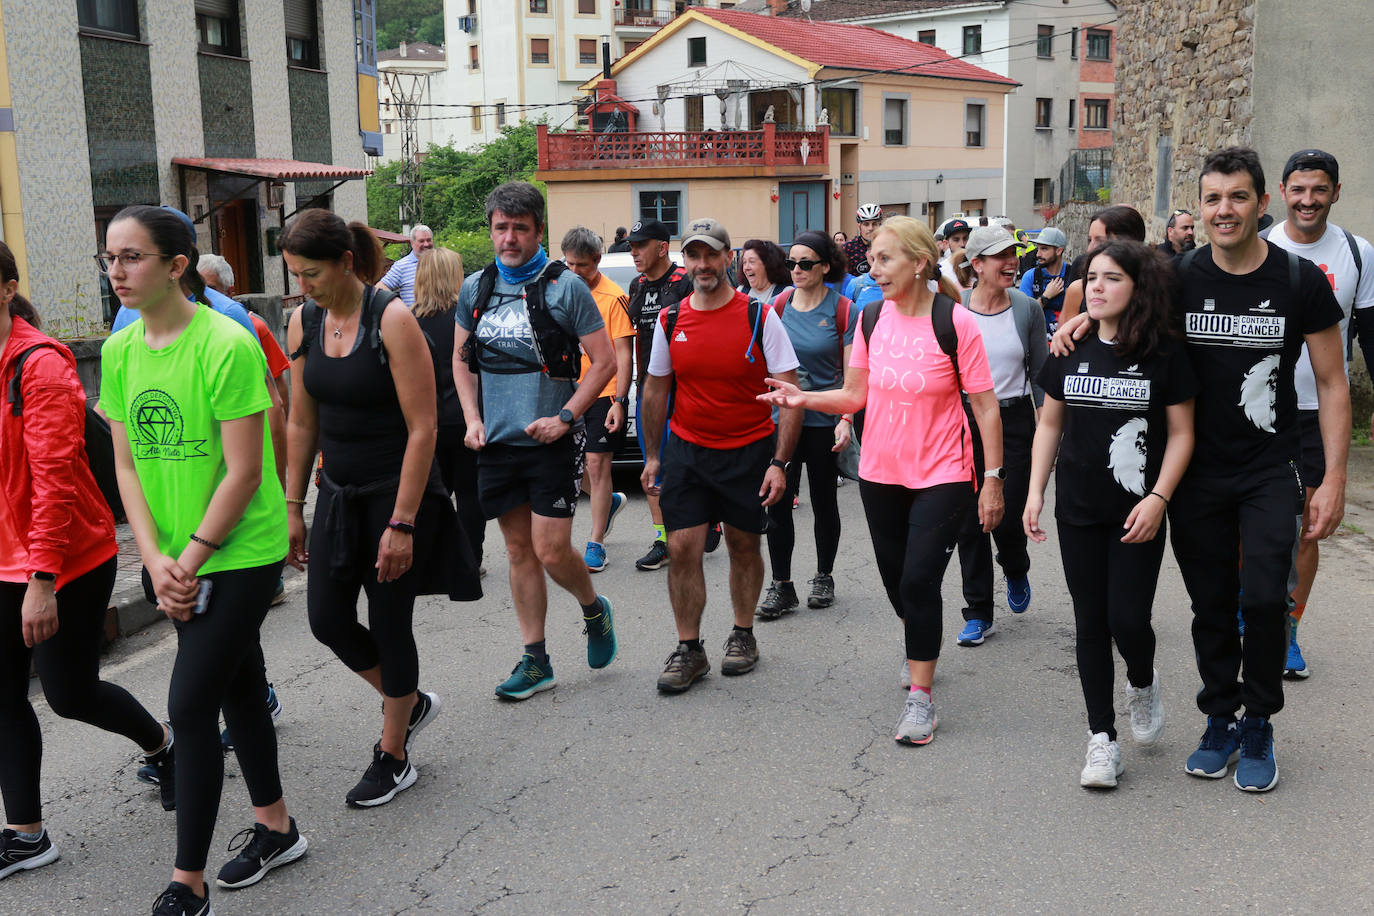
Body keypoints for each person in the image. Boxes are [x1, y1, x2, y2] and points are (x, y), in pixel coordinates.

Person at [1053, 147, 1350, 793]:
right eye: (1212, 198)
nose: (1224, 210)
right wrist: (1082, 314)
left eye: (1238, 197)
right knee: (1210, 603)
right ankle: (1219, 716)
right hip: (1193, 472)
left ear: (1261, 204)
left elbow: (1331, 381)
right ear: (1199, 206)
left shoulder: (1300, 282)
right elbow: (1119, 298)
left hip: (1271, 466)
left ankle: (1259, 722)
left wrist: (1333, 479)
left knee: (1266, 598)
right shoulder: (1176, 276)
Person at [98, 205, 306, 914]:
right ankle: (276, 826)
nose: (117, 272)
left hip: (239, 549)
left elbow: (246, 472)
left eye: (132, 257)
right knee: (238, 687)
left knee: (189, 706)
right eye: (110, 258)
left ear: (177, 265)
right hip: (176, 556)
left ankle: (188, 884)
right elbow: (126, 467)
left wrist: (186, 562)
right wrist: (154, 559)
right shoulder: (121, 350)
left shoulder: (226, 341)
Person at [759, 216, 1005, 747]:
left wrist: (992, 479)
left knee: (919, 580)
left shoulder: (954, 321)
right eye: (871, 259)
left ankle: (921, 697)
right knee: (898, 581)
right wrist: (803, 399)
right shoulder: (871, 319)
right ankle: (917, 635)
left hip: (944, 471)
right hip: (881, 472)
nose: (874, 268)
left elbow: (985, 407)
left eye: (885, 259)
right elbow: (853, 396)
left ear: (919, 263)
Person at [283, 211, 474, 808]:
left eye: (310, 273)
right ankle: (409, 701)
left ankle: (393, 754)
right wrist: (294, 505)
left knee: (391, 624)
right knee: (327, 621)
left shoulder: (390, 317)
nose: (302, 285)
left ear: (344, 262)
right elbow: (301, 419)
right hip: (337, 497)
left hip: (398, 495)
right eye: (293, 274)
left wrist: (403, 523)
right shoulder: (303, 321)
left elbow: (423, 429)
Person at [0, 241, 174, 880]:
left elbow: (53, 482)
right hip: (3, 558)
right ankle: (27, 834)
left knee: (69, 693)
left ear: (6, 287)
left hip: (67, 556)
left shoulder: (40, 367)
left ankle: (165, 746)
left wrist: (41, 580)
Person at [1026, 240, 1198, 788]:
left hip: (1138, 514)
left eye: (1111, 278)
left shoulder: (1165, 352)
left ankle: (1142, 684)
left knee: (1129, 620)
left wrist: (1159, 498)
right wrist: (1034, 493)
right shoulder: (1069, 348)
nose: (1096, 286)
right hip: (1076, 508)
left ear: (1138, 287)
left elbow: (1182, 434)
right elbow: (1049, 424)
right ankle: (1102, 739)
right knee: (1089, 622)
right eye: (1091, 277)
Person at [453, 181, 618, 701]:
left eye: (519, 228)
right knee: (518, 551)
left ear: (537, 230)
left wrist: (567, 417)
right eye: (501, 228)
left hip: (549, 440)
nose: (509, 238)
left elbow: (605, 362)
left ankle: (593, 607)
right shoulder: (474, 288)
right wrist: (472, 417)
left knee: (550, 550)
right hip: (496, 443)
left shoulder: (565, 286)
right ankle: (536, 660)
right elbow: (461, 359)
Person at [641, 218, 800, 693]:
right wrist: (653, 457)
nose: (703, 264)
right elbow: (654, 390)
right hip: (688, 453)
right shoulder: (671, 319)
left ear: (728, 258)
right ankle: (689, 649)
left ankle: (743, 634)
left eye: (711, 254)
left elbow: (789, 391)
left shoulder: (758, 316)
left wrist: (779, 463)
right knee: (681, 548)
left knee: (743, 546)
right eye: (694, 255)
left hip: (748, 451)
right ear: (684, 260)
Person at [1262, 149, 1374, 678]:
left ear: (1335, 192)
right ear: (1283, 192)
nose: (1308, 200)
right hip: (1261, 410)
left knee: (1309, 529)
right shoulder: (1257, 247)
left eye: (1320, 189)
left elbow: (1371, 337)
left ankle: (1288, 630)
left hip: (1321, 410)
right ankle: (1250, 614)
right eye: (1299, 189)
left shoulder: (1358, 252)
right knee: (1251, 527)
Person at [953, 226, 1047, 646]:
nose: (1012, 262)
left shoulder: (1027, 309)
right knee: (969, 521)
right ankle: (978, 611)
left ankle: (1015, 565)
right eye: (1000, 256)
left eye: (1014, 254)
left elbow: (1041, 376)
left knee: (1006, 516)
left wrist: (1048, 429)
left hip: (1013, 421)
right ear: (977, 265)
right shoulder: (954, 310)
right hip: (964, 422)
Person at [757, 231, 858, 618]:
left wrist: (845, 419)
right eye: (791, 263)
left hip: (823, 421)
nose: (795, 270)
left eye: (805, 264)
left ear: (825, 267)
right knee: (777, 501)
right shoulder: (778, 305)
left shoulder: (843, 309)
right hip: (782, 421)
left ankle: (824, 576)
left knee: (823, 501)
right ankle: (782, 585)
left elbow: (852, 377)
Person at [560, 227, 634, 572]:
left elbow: (623, 354)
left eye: (582, 266)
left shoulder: (613, 297)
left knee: (596, 464)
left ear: (597, 261)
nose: (575, 272)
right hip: (567, 390)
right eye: (569, 264)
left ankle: (595, 542)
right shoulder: (559, 291)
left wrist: (620, 399)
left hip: (603, 391)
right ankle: (613, 501)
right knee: (571, 465)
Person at [411, 246, 487, 574]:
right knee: (470, 493)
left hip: (423, 424)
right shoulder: (470, 319)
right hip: (466, 418)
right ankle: (470, 561)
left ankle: (431, 558)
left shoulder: (407, 322)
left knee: (430, 495)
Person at [625, 219, 694, 571]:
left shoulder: (684, 282)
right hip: (650, 387)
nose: (634, 252)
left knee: (685, 463)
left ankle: (705, 519)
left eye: (641, 245)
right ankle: (663, 539)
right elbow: (636, 336)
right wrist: (635, 388)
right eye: (632, 246)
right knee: (652, 466)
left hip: (685, 389)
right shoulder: (637, 286)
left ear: (662, 247)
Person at [1058, 206, 1148, 322]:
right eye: (1090, 240)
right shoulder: (1077, 290)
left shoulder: (1157, 289)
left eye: (1100, 241)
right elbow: (1064, 336)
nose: (1090, 249)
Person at [1019, 226, 1070, 333]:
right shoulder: (1031, 277)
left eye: (1044, 249)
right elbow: (1023, 317)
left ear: (1059, 251)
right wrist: (1046, 297)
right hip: (1041, 344)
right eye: (1038, 248)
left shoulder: (1073, 274)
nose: (1038, 254)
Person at [376, 224, 435, 306]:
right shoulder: (401, 266)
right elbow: (380, 289)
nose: (426, 244)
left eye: (429, 240)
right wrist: (398, 308)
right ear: (412, 243)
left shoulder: (441, 262)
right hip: (413, 317)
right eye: (421, 241)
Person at [736, 239, 791, 304]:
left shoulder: (785, 293)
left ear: (767, 264)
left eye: (752, 261)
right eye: (744, 262)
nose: (746, 268)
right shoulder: (741, 291)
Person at [844, 204, 883, 275]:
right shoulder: (848, 248)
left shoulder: (887, 246)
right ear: (859, 227)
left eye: (874, 224)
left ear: (880, 225)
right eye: (866, 224)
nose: (870, 228)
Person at [938, 218, 972, 289]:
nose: (962, 244)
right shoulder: (941, 270)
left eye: (965, 238)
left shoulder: (977, 266)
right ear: (946, 243)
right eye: (956, 240)